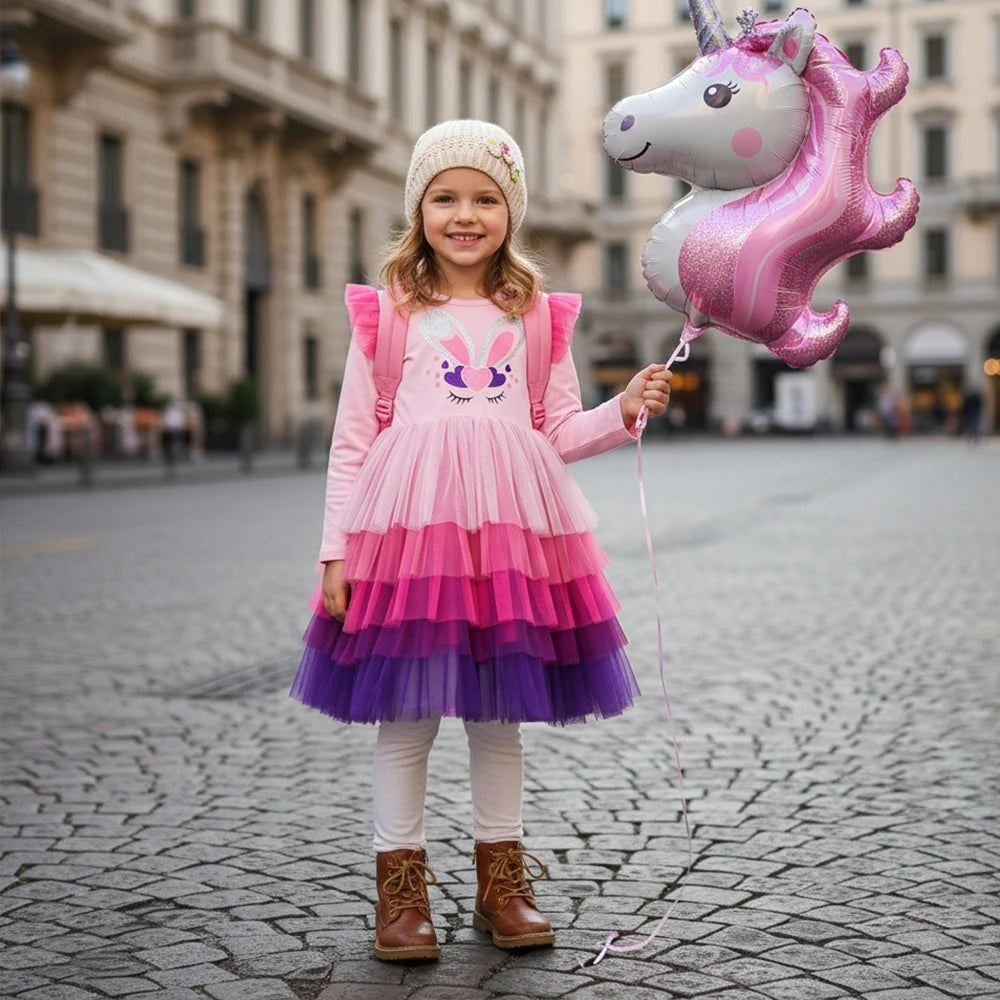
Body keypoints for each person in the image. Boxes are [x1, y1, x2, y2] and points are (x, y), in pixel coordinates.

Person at [289, 120, 672, 963]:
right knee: (408, 711)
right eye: (446, 197)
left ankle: (503, 883)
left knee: (502, 713)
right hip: (408, 540)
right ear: (419, 207)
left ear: (513, 211)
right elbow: (352, 442)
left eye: (486, 199)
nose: (465, 215)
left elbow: (559, 429)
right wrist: (336, 550)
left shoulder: (536, 316)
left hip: (510, 540)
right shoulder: (388, 314)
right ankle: (401, 891)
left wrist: (624, 409)